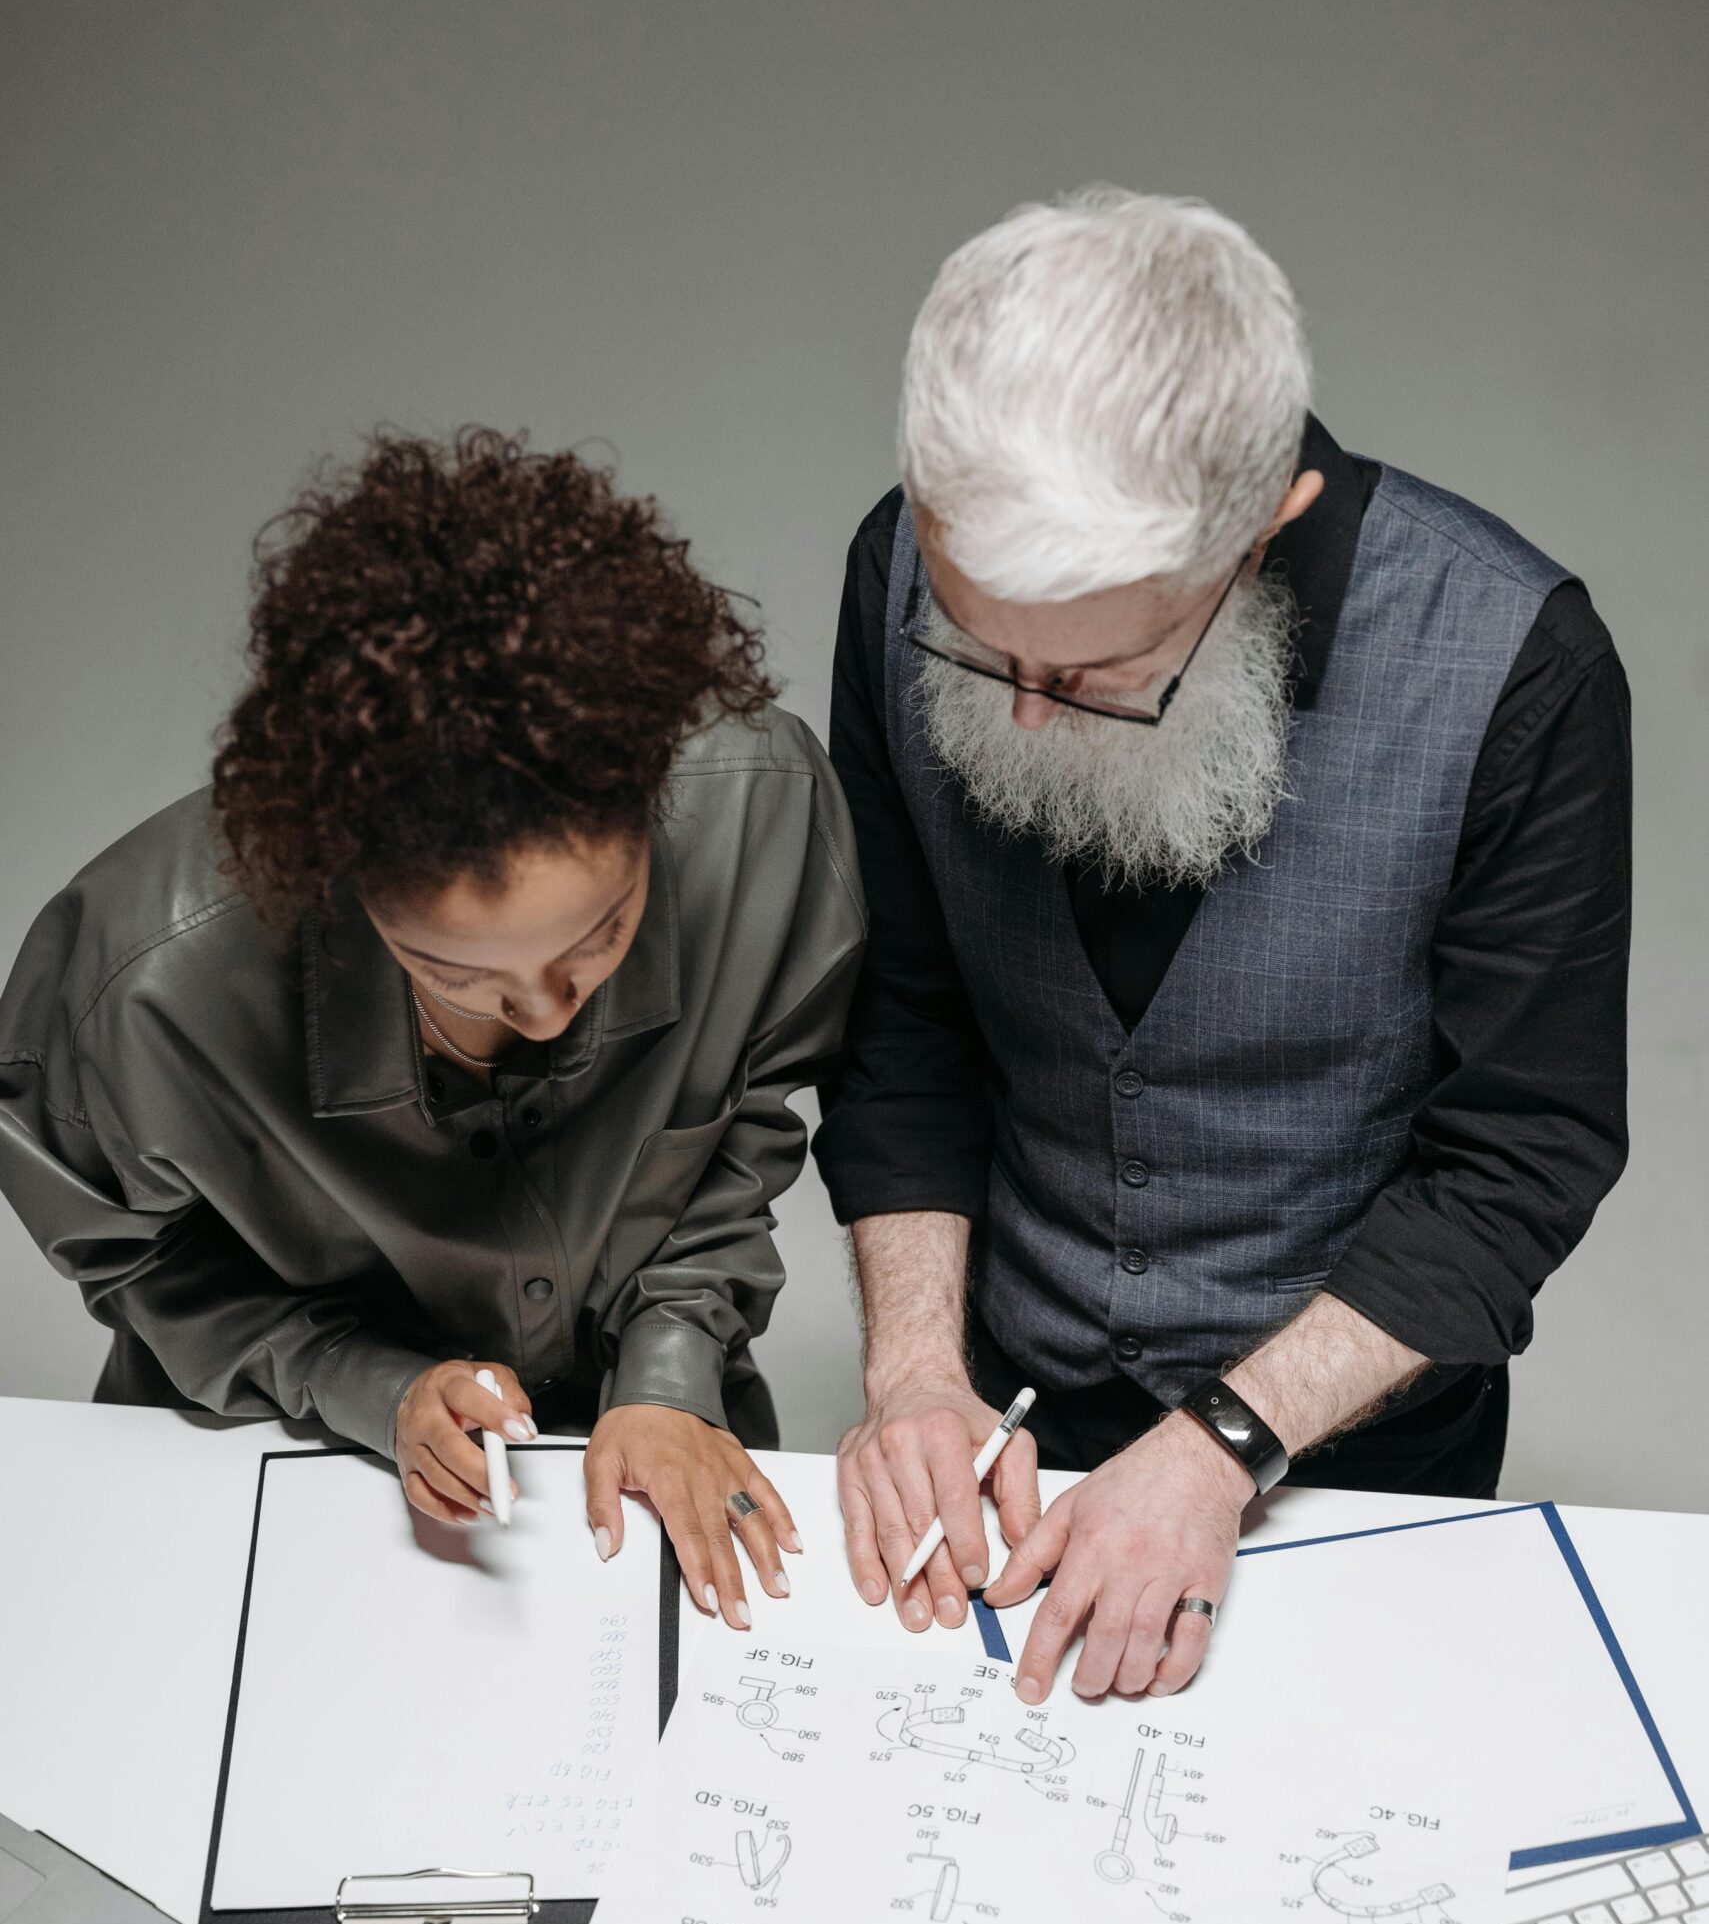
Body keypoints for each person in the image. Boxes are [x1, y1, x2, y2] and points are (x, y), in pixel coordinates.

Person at [815, 189, 1630, 1705]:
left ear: (1266, 522)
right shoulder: (897, 567)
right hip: (1004, 1403)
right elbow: (904, 1024)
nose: (1024, 717)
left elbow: (1516, 1161)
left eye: (1098, 670)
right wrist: (914, 1370)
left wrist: (1218, 1451)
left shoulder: (1522, 663)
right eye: (980, 649)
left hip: (1351, 1446)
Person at [0, 429, 864, 1624]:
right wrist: (361, 1382)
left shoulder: (754, 818)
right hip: (278, 1462)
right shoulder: (136, 989)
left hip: (652, 1441)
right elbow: (137, 1260)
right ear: (335, 876)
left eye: (601, 933)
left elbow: (746, 1127)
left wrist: (669, 1371)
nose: (547, 1009)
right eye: (454, 971)